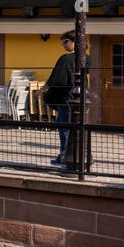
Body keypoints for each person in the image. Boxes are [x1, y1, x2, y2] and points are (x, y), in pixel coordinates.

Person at [44, 32, 78, 167]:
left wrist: (42, 90)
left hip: (65, 98)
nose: (63, 44)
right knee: (73, 127)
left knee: (63, 126)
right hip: (79, 97)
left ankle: (65, 156)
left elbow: (56, 77)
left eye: (65, 41)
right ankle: (67, 155)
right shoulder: (85, 58)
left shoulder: (65, 59)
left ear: (74, 42)